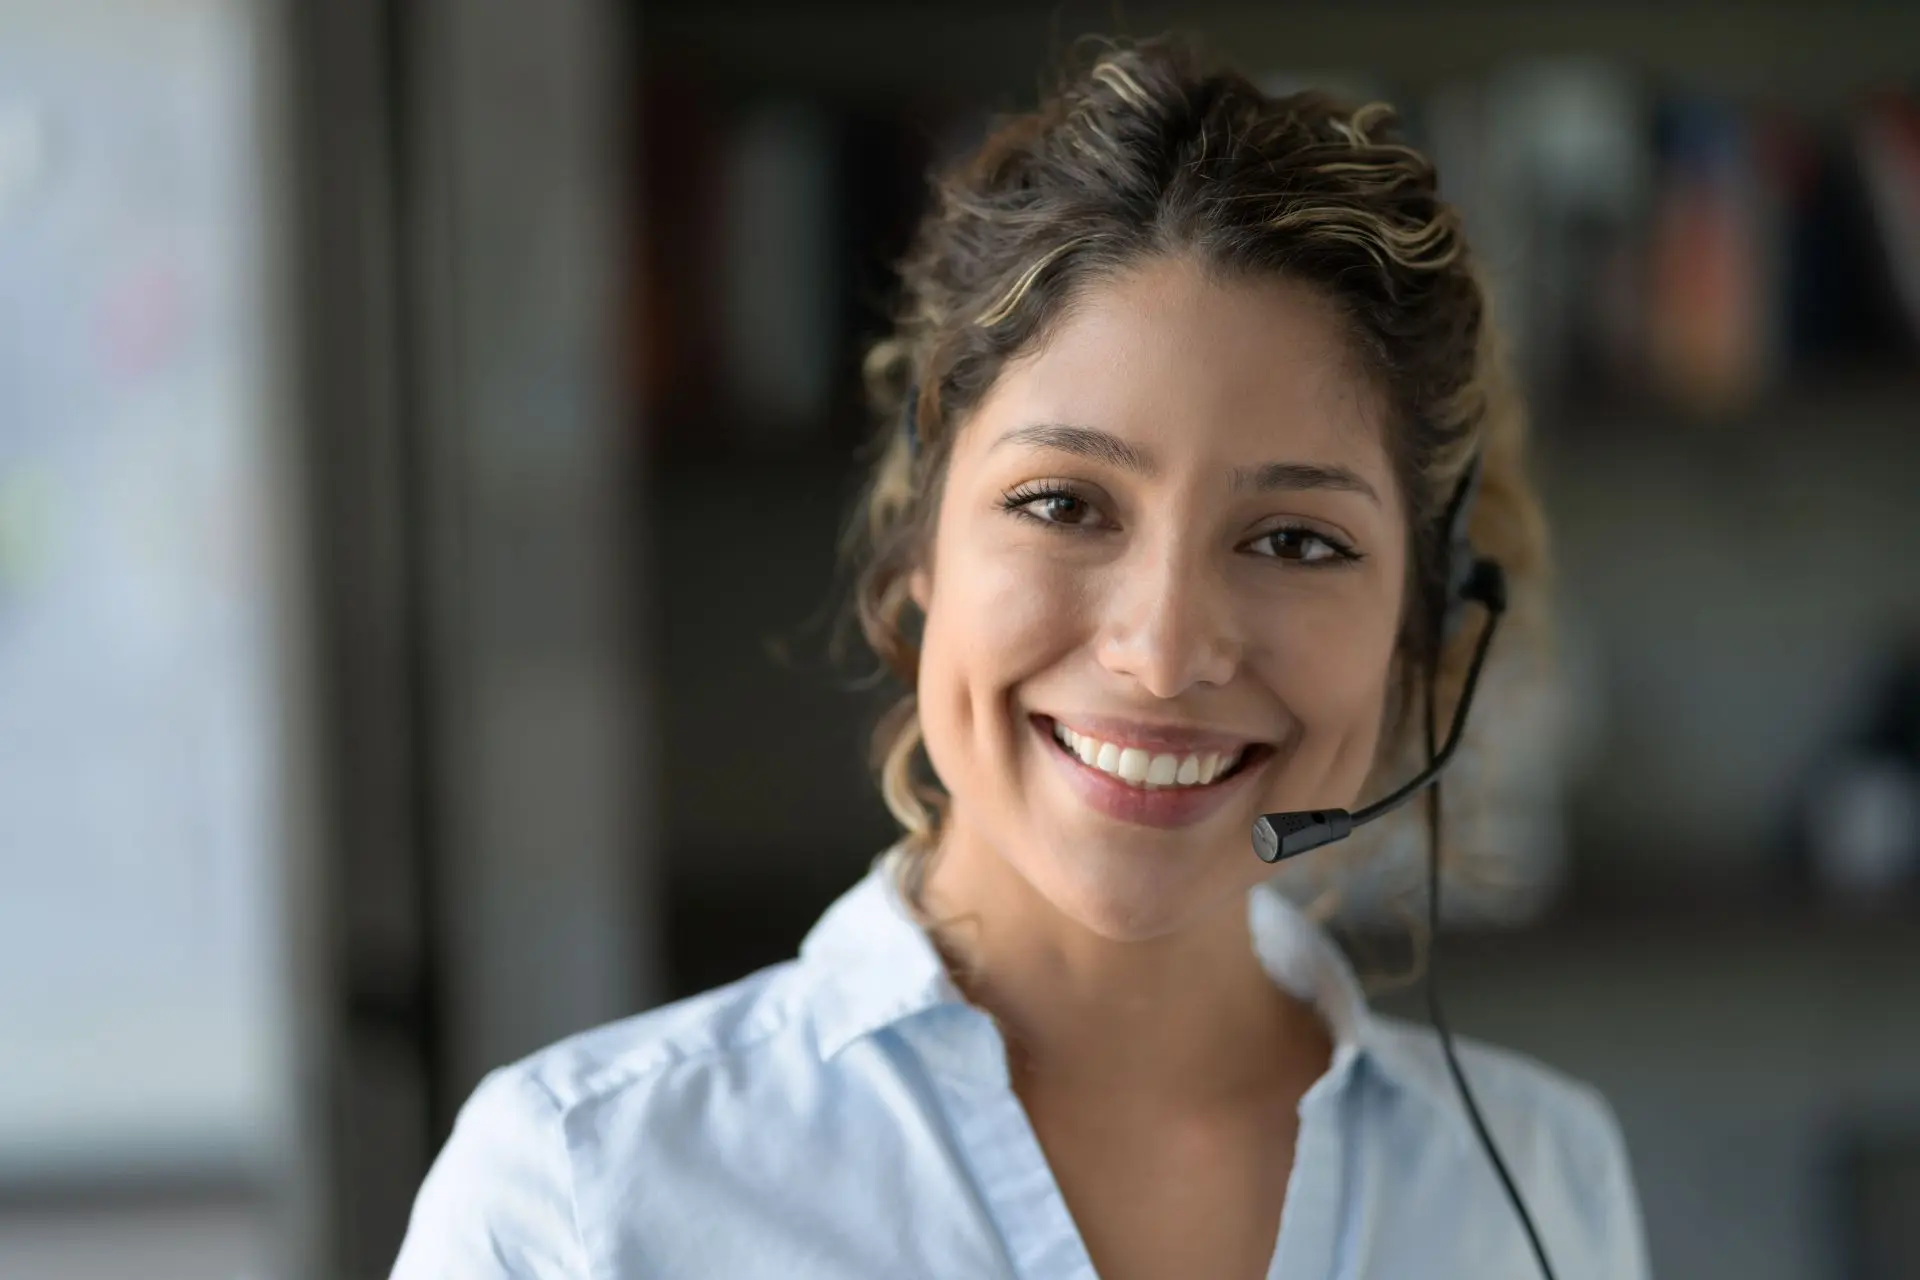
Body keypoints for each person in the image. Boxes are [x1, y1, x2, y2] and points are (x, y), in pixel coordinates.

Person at [390, 36, 1650, 1280]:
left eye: (1294, 539)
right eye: (1063, 504)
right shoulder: (579, 1193)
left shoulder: (1537, 1182)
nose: (1163, 652)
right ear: (921, 546)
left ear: (1421, 622)